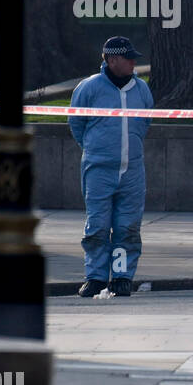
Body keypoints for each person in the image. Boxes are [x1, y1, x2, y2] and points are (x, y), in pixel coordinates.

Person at [69, 36, 154, 297]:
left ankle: (121, 276)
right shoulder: (89, 88)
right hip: (99, 169)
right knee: (97, 225)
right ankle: (95, 277)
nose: (133, 63)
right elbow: (77, 125)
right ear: (112, 59)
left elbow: (145, 124)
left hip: (132, 170)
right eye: (128, 59)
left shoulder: (141, 90)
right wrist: (98, 149)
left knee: (128, 226)